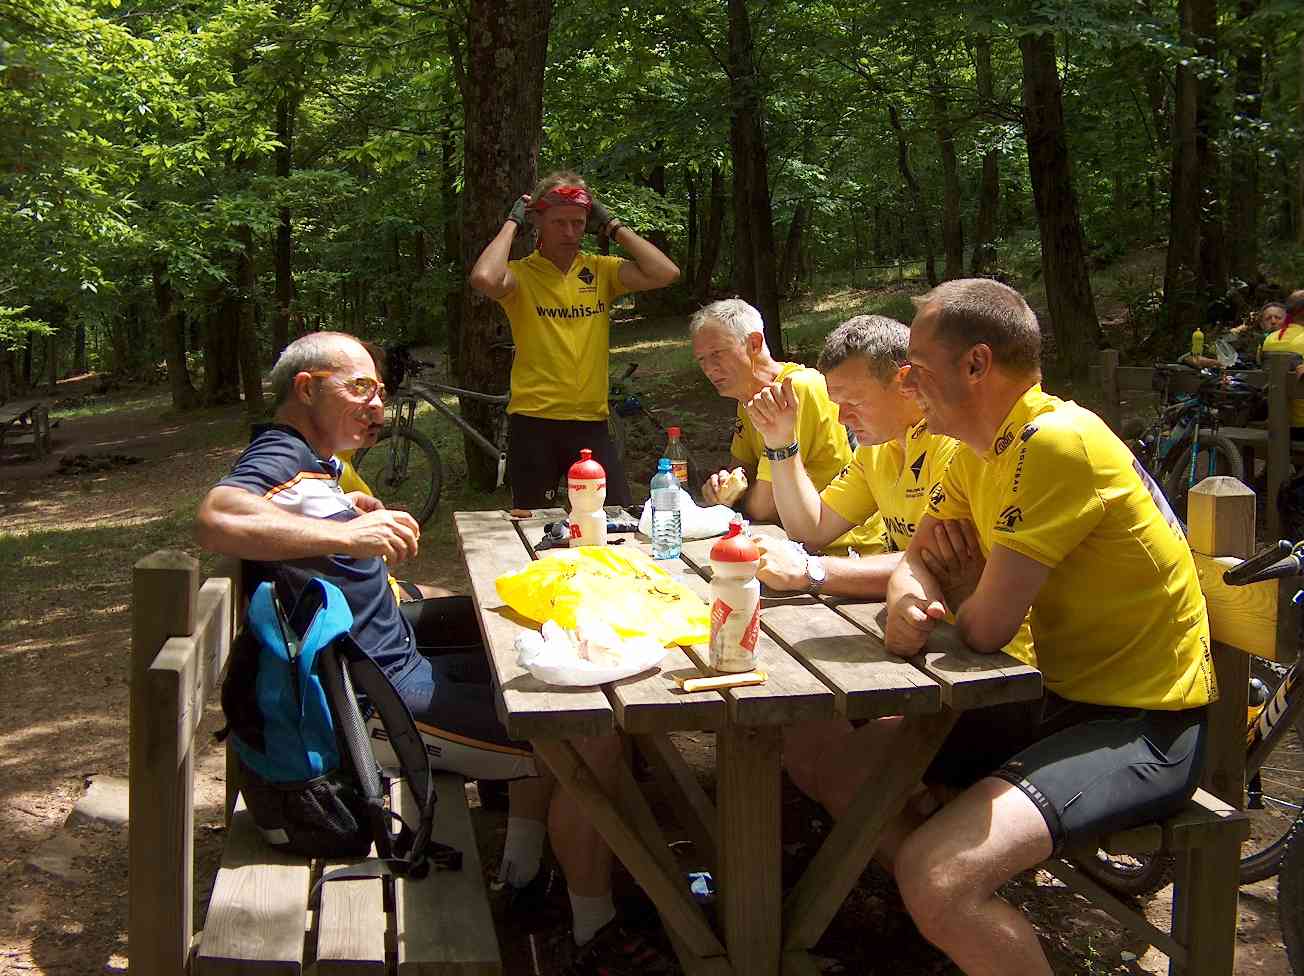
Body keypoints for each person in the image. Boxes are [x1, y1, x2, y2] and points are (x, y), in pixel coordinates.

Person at [196, 332, 660, 971]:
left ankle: (522, 878)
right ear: (306, 388)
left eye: (380, 390)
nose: (377, 404)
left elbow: (299, 520)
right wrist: (349, 533)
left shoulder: (313, 461)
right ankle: (593, 933)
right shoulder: (280, 453)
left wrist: (343, 509)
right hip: (371, 706)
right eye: (360, 388)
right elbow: (216, 517)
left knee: (541, 666)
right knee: (589, 735)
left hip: (393, 666)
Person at [878, 279, 1214, 976]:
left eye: (917, 367)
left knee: (938, 875)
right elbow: (915, 560)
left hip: (1146, 726)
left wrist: (960, 593)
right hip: (1060, 701)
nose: (905, 383)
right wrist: (909, 600)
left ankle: (947, 923)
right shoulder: (974, 450)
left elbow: (985, 629)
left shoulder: (1055, 443)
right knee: (850, 756)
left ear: (976, 364)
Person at [469, 171, 679, 509]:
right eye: (558, 222)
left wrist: (612, 225)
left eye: (578, 223)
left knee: (616, 519)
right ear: (538, 220)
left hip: (591, 422)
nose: (569, 233)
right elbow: (484, 277)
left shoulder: (600, 270)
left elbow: (665, 273)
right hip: (534, 422)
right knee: (534, 525)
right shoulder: (521, 274)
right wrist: (512, 223)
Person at [691, 298, 885, 556]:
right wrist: (721, 485)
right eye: (701, 359)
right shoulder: (748, 399)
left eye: (717, 354)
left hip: (843, 550)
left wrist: (735, 498)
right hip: (788, 541)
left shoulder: (795, 390)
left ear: (754, 343)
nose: (708, 368)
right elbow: (741, 469)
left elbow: (764, 507)